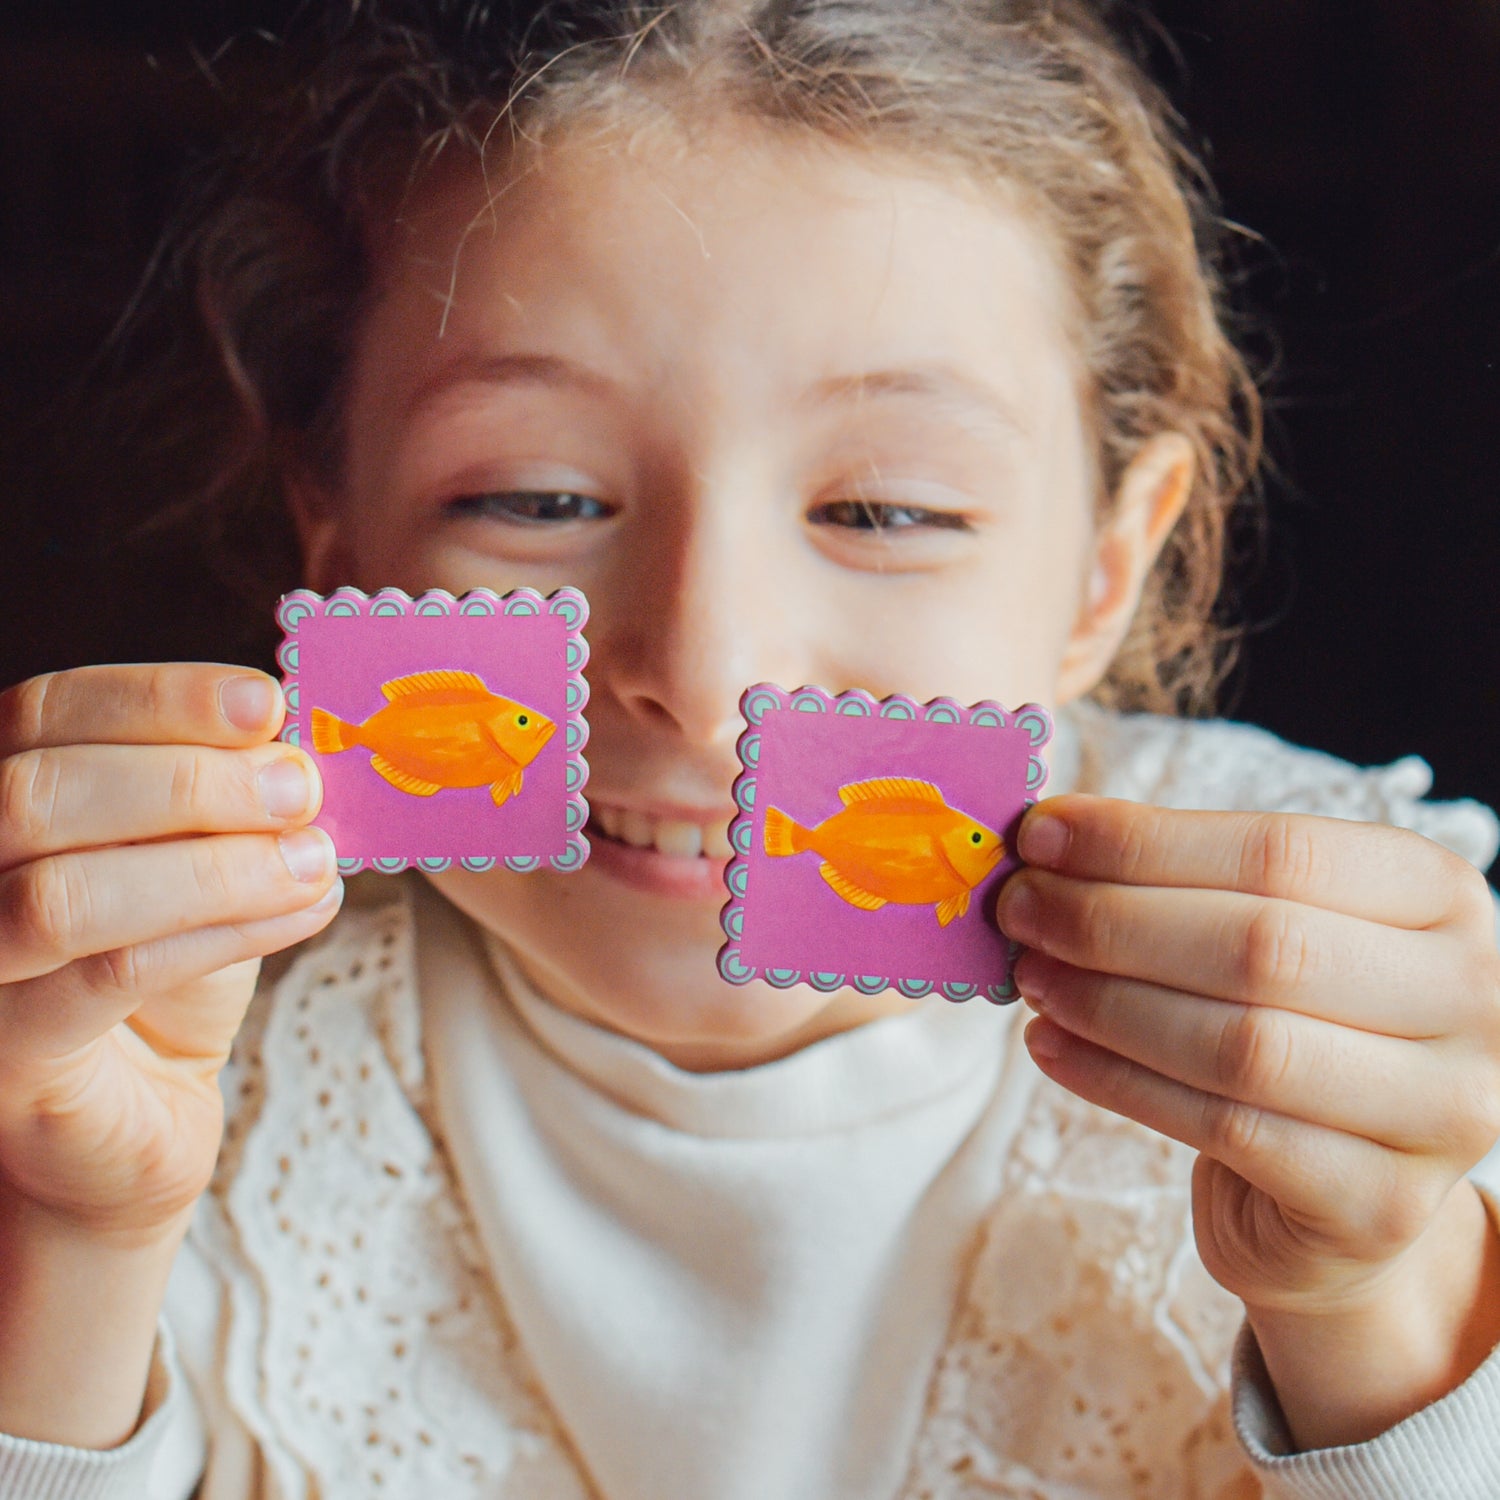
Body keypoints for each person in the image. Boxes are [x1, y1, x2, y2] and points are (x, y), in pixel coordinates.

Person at [2, 1, 1499, 1495]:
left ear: (1106, 571)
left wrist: (1368, 1296)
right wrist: (67, 1236)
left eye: (884, 513)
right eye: (534, 498)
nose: (701, 679)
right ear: (333, 535)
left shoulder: (1371, 1010)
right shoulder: (164, 1041)